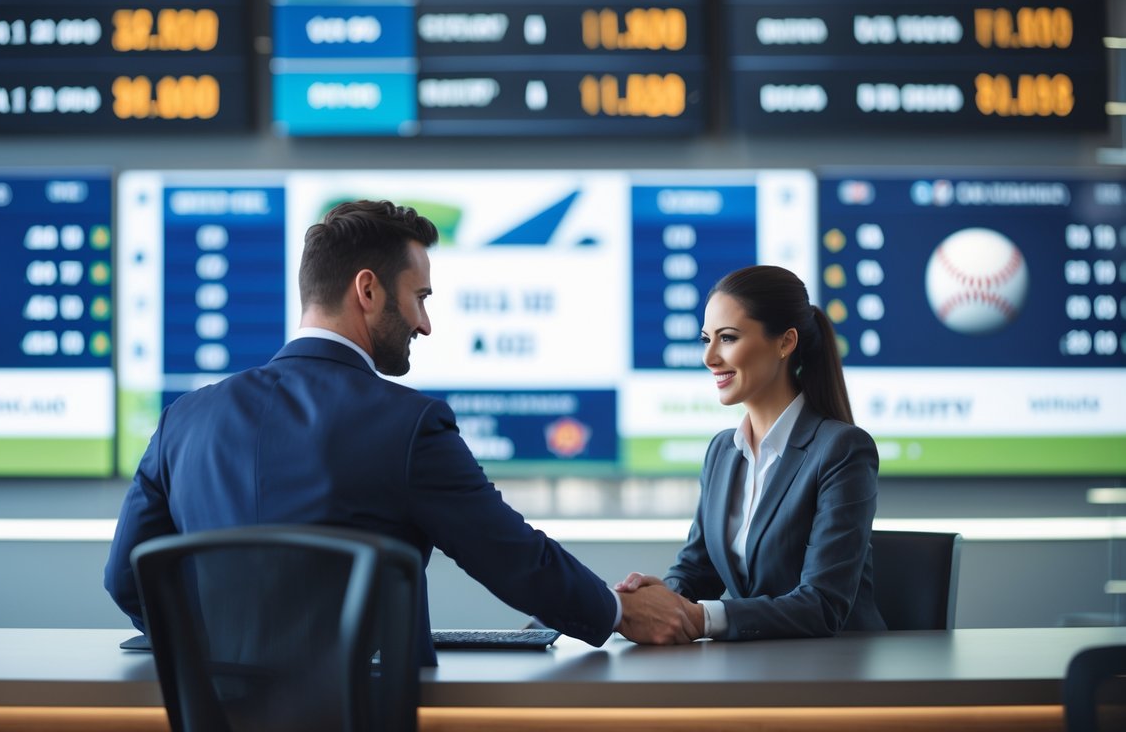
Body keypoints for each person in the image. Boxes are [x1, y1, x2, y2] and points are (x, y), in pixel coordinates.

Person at [104, 199, 691, 665]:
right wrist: (617, 613)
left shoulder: (184, 418)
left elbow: (125, 576)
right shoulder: (407, 423)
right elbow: (512, 558)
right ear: (367, 290)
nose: (425, 324)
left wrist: (223, 655)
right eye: (420, 298)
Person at [617, 265, 886, 642]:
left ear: (785, 343)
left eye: (727, 338)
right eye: (705, 339)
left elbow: (822, 606)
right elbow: (698, 570)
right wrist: (654, 600)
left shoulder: (842, 450)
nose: (709, 357)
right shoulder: (723, 451)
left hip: (837, 674)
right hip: (757, 666)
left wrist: (698, 618)